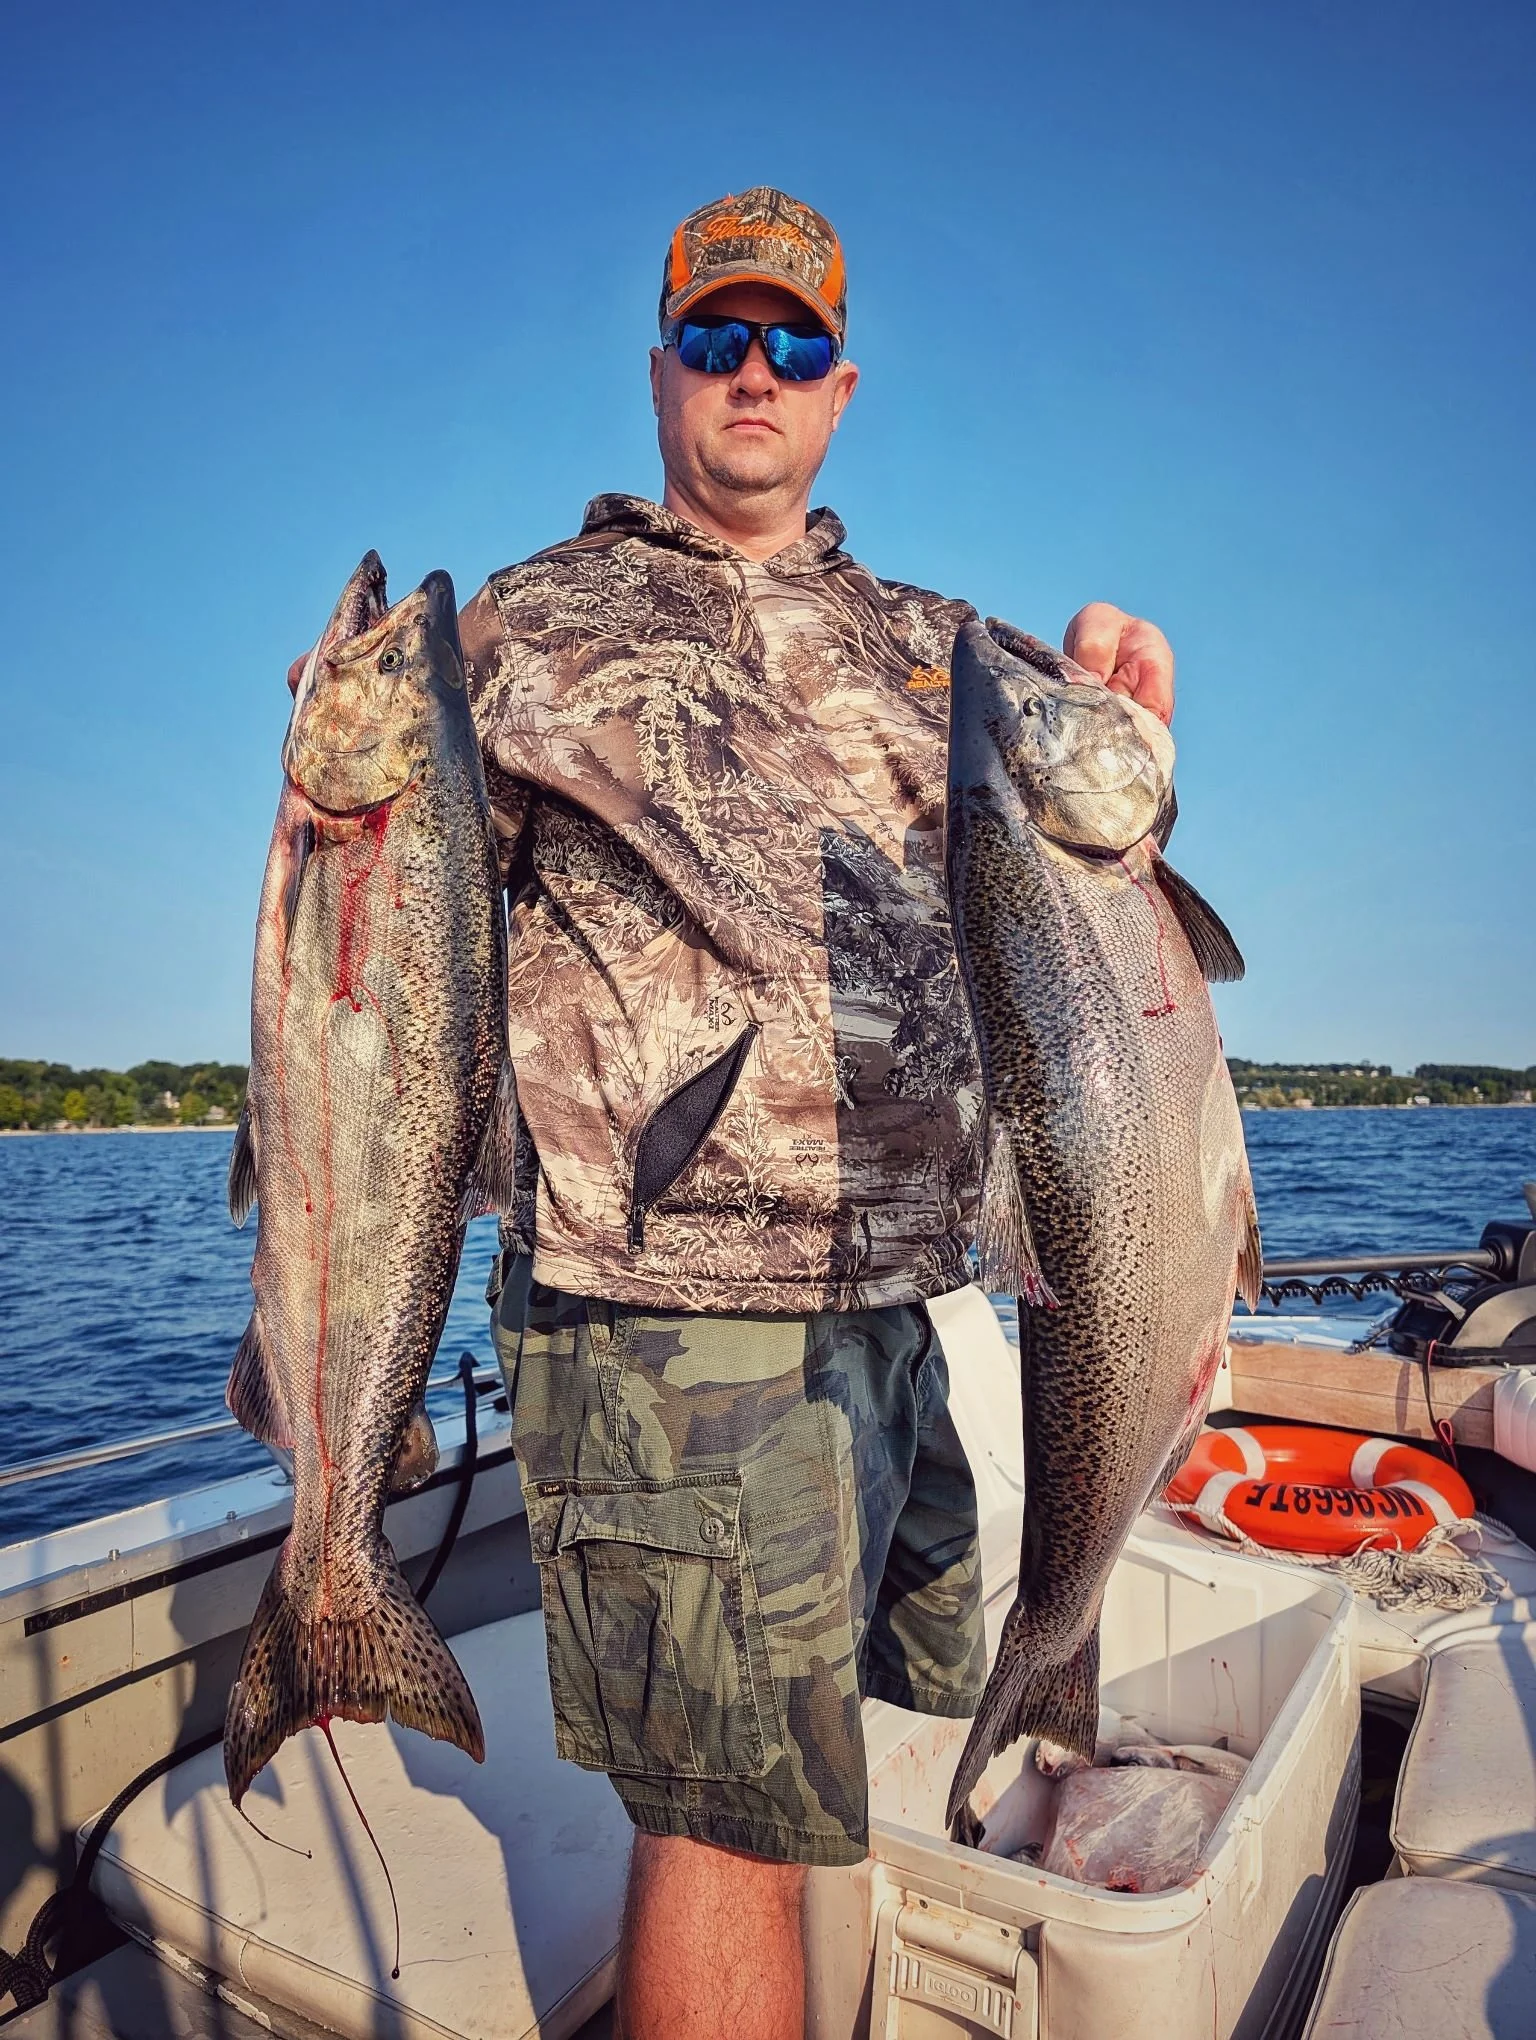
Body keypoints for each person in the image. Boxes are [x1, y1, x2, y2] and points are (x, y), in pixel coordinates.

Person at [458, 187, 1175, 2040]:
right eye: (716, 338)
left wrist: (1152, 741)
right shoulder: (526, 625)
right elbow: (379, 957)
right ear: (661, 373)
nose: (751, 372)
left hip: (900, 1302)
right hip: (668, 1320)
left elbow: (1105, 921)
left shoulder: (945, 647)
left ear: (843, 384)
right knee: (719, 1833)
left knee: (815, 1779)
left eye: (788, 343)